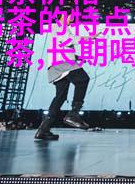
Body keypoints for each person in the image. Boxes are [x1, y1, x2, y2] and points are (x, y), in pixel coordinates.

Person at [35, 7, 97, 141]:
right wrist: (88, 38)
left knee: (60, 97)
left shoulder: (59, 28)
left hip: (58, 64)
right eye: (71, 16)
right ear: (63, 15)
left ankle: (43, 129)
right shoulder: (58, 26)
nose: (73, 18)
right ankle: (73, 114)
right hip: (62, 63)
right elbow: (69, 40)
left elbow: (62, 46)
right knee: (83, 79)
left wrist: (77, 57)